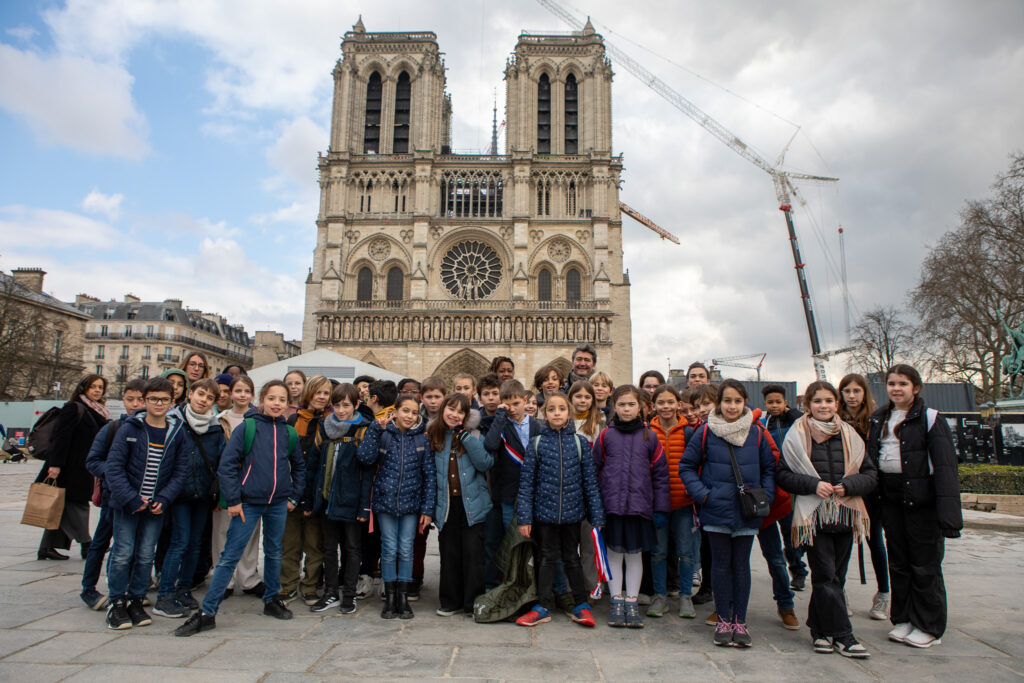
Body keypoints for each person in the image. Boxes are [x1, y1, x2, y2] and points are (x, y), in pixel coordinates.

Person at [174, 380, 305, 636]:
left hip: (278, 502)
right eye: (272, 398)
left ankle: (271, 599)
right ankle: (207, 612)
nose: (276, 404)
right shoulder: (248, 427)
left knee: (274, 552)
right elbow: (227, 465)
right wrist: (233, 500)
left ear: (287, 403)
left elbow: (298, 466)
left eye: (281, 399)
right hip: (249, 503)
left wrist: (294, 497)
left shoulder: (289, 432)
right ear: (262, 400)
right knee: (229, 556)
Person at [777, 380, 876, 658]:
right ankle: (844, 635)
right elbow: (783, 475)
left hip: (846, 513)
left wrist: (850, 486)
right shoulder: (795, 436)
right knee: (824, 575)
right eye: (817, 401)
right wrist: (812, 484)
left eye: (828, 401)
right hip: (813, 515)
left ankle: (819, 629)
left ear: (837, 404)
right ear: (807, 405)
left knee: (836, 577)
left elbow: (870, 474)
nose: (823, 406)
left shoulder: (851, 435)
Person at [867, 364, 961, 649]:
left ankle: (929, 625)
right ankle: (904, 618)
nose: (896, 388)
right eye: (892, 383)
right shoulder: (879, 418)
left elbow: (945, 467)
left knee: (924, 564)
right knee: (899, 562)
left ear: (915, 388)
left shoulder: (930, 418)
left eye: (903, 384)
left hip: (922, 500)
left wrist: (949, 517)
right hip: (891, 496)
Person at [679, 379, 775, 648]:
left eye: (737, 401)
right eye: (727, 400)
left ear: (745, 403)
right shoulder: (707, 431)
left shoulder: (756, 432)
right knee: (720, 567)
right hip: (717, 509)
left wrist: (764, 494)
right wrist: (704, 495)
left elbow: (770, 467)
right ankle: (723, 620)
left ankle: (740, 622)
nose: (732, 406)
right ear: (719, 403)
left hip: (746, 510)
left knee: (741, 566)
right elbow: (686, 466)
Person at [104, 377, 188, 630]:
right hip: (128, 503)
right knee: (122, 553)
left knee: (144, 555)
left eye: (164, 400)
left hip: (156, 506)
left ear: (172, 402)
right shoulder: (129, 429)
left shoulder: (177, 432)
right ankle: (116, 602)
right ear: (144, 401)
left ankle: (136, 599)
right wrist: (130, 498)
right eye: (153, 399)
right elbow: (114, 468)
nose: (159, 404)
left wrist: (164, 498)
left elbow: (180, 471)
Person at [515, 392, 605, 628]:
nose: (556, 413)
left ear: (569, 413)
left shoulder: (580, 443)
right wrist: (525, 518)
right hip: (544, 515)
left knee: (572, 559)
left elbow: (590, 482)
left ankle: (580, 604)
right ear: (545, 413)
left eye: (561, 409)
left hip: (573, 514)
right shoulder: (536, 443)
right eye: (552, 409)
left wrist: (596, 516)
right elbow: (527, 484)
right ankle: (543, 605)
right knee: (546, 559)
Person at [592, 385, 670, 629]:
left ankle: (632, 601)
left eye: (631, 404)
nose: (626, 409)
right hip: (612, 506)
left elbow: (660, 475)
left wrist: (660, 509)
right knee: (614, 553)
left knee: (635, 555)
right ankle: (616, 600)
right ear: (614, 407)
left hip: (639, 506)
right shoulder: (605, 435)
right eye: (622, 404)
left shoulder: (651, 437)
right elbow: (595, 470)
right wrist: (596, 506)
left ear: (641, 408)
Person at [357, 393, 434, 619]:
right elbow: (364, 458)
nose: (409, 416)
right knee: (389, 550)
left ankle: (403, 597)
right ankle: (390, 598)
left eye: (413, 412)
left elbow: (429, 476)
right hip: (385, 501)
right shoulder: (383, 435)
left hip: (412, 504)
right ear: (395, 412)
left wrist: (428, 509)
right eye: (405, 411)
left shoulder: (422, 439)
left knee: (406, 549)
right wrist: (374, 429)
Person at [155, 378, 224, 618]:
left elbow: (220, 461)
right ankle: (165, 594)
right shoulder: (173, 422)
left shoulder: (215, 427)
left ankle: (184, 589)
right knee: (179, 542)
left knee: (195, 543)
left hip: (203, 493)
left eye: (209, 398)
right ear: (191, 393)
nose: (203, 400)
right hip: (179, 493)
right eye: (201, 394)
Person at [81, 379, 146, 609]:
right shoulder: (113, 428)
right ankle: (88, 588)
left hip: (139, 498)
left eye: (140, 399)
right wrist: (114, 473)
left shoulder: (152, 429)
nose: (135, 404)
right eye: (130, 399)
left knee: (130, 545)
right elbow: (93, 460)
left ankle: (125, 587)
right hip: (114, 496)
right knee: (101, 541)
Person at [311, 383, 372, 614]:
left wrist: (364, 506)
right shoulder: (323, 428)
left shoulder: (364, 430)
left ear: (357, 404)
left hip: (351, 499)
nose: (340, 410)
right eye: (336, 405)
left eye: (346, 405)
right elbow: (313, 465)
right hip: (327, 497)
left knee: (352, 548)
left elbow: (367, 472)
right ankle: (330, 592)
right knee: (328, 548)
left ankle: (349, 594)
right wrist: (310, 499)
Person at [430, 393, 492, 616]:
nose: (454, 414)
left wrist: (464, 436)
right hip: (446, 505)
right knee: (449, 554)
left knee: (473, 556)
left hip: (473, 504)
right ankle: (450, 601)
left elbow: (485, 463)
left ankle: (472, 603)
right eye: (451, 409)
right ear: (443, 409)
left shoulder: (474, 435)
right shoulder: (433, 435)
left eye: (460, 412)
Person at [36, 373, 109, 561]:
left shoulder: (99, 410)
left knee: (61, 506)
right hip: (68, 467)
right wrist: (55, 464)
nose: (96, 390)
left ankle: (46, 547)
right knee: (77, 505)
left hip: (83, 466)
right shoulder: (74, 408)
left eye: (100, 387)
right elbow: (60, 438)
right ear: (83, 388)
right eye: (93, 386)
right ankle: (87, 544)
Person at [838, 372, 888, 620]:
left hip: (870, 488)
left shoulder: (876, 420)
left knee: (874, 540)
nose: (852, 395)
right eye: (847, 391)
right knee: (843, 541)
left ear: (864, 393)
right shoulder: (836, 419)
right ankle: (841, 593)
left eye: (856, 390)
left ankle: (883, 594)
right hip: (844, 487)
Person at [483, 380, 542, 589]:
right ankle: (514, 586)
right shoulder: (500, 425)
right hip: (508, 495)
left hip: (536, 496)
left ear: (525, 400)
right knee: (513, 542)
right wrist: (500, 416)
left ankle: (534, 587)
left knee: (535, 544)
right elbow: (489, 445)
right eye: (507, 405)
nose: (512, 409)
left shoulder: (538, 426)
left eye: (516, 403)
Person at [648, 384, 699, 619]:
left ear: (678, 404)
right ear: (653, 406)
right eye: (661, 402)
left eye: (670, 402)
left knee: (686, 552)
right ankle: (660, 596)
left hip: (683, 502)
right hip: (657, 503)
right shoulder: (647, 432)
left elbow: (696, 465)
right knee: (658, 551)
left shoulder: (689, 432)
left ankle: (685, 596)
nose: (666, 406)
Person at [212, 375, 264, 600]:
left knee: (251, 533)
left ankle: (248, 578)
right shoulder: (219, 420)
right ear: (230, 394)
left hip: (251, 483)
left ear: (252, 395)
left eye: (246, 391)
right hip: (227, 482)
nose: (242, 395)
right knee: (221, 531)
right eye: (238, 390)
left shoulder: (260, 420)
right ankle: (223, 579)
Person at [282, 375, 332, 605]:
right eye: (318, 392)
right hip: (293, 490)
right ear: (308, 393)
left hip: (318, 492)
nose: (322, 397)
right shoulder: (294, 420)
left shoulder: (332, 421)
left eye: (326, 393)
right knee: (289, 544)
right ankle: (288, 585)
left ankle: (311, 586)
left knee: (314, 544)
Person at [760, 384, 808, 593]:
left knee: (791, 531)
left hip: (791, 481)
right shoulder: (764, 423)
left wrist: (794, 412)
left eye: (778, 402)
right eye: (770, 402)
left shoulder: (795, 421)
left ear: (785, 403)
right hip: (772, 481)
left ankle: (798, 570)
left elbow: (804, 423)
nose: (774, 405)